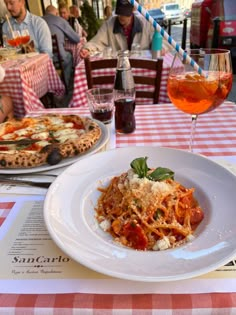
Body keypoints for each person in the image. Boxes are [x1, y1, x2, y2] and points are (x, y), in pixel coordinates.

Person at [80, 0, 154, 58]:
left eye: (125, 13)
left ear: (133, 11)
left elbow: (162, 41)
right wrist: (87, 49)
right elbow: (96, 42)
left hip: (140, 66)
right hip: (118, 66)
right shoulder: (108, 25)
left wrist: (161, 47)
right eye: (119, 12)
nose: (122, 16)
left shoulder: (146, 24)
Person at [43, 5, 80, 89]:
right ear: (56, 13)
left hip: (43, 61)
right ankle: (64, 85)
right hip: (57, 59)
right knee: (69, 56)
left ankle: (55, 84)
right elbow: (76, 39)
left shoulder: (39, 21)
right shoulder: (60, 20)